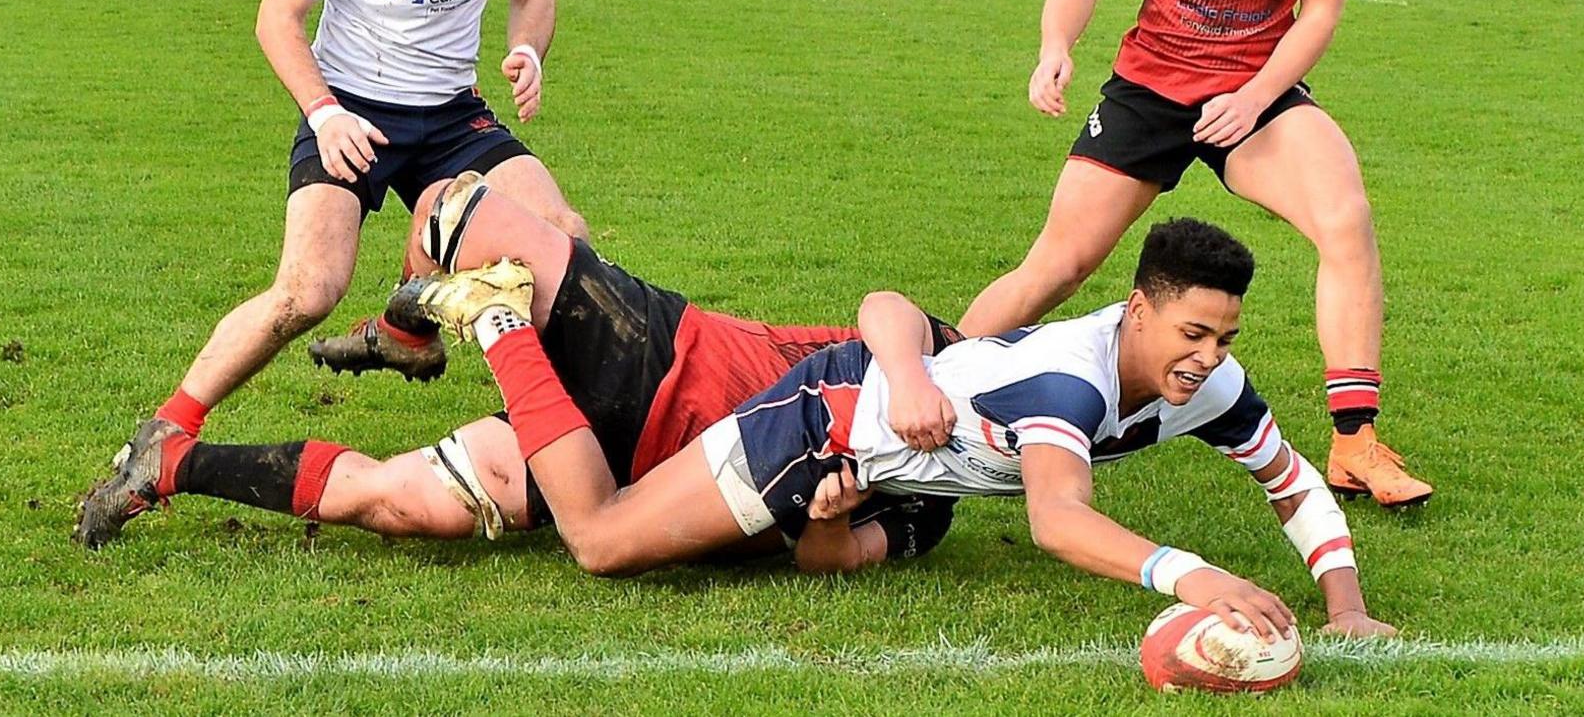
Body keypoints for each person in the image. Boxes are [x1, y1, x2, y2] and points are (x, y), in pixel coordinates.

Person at [404, 215, 1397, 639]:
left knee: (846, 550)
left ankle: (803, 507)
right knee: (601, 537)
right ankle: (498, 314)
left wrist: (1343, 605)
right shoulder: (1070, 381)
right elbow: (1058, 521)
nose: (1210, 357)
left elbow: (1294, 480)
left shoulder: (1212, 383)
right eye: (1193, 332)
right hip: (819, 419)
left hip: (910, 480)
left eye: (1226, 337)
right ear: (1136, 310)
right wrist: (1195, 576)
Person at [82, 0, 589, 497]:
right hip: (351, 108)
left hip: (455, 117)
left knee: (562, 236)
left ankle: (569, 434)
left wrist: (528, 48)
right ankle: (164, 431)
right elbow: (277, 18)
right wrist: (324, 112)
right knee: (307, 292)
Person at [958, 0, 1431, 507]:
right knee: (1058, 266)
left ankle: (1354, 443)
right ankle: (929, 394)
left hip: (1258, 92)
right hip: (1149, 90)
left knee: (1346, 218)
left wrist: (1253, 97)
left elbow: (1319, 10)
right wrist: (1055, 45)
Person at [76, 171, 960, 573]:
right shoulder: (955, 365)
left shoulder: (937, 505)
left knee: (394, 505)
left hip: (647, 486)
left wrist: (832, 524)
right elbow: (893, 312)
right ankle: (409, 328)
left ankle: (170, 464)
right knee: (454, 209)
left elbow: (828, 560)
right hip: (665, 360)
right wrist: (913, 378)